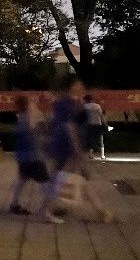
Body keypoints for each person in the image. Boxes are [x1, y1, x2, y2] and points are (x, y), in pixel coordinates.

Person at [48, 75, 113, 224]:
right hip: (67, 146)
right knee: (65, 180)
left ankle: (100, 211)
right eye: (78, 84)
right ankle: (49, 209)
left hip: (64, 145)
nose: (81, 86)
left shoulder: (68, 102)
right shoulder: (67, 103)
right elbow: (69, 127)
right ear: (71, 86)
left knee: (72, 179)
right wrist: (77, 148)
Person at [9, 95, 51, 215]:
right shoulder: (29, 118)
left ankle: (14, 204)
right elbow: (37, 136)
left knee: (22, 179)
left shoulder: (21, 118)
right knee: (46, 183)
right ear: (27, 105)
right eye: (31, 103)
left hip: (24, 156)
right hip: (34, 157)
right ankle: (48, 209)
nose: (33, 104)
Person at [83, 93, 108, 159]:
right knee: (100, 139)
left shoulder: (84, 106)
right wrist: (105, 124)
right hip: (97, 124)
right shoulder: (97, 106)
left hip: (89, 125)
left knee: (90, 139)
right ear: (91, 99)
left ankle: (90, 154)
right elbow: (101, 116)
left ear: (85, 99)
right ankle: (102, 155)